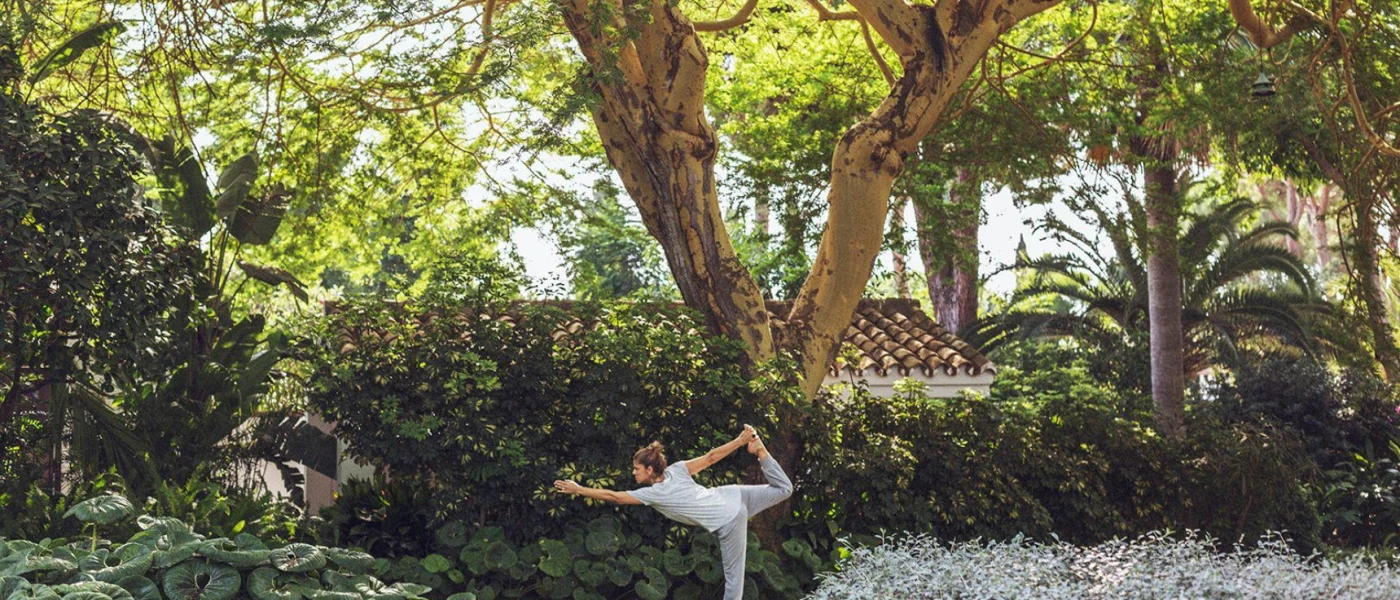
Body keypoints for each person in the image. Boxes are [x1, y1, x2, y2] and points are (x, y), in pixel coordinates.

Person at [553, 425, 793, 600]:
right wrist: (740, 441)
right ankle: (760, 450)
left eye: (636, 469)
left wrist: (579, 489)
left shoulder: (654, 494)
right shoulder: (677, 470)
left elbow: (614, 496)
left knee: (734, 583)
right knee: (784, 489)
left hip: (729, 519)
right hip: (732, 495)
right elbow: (710, 458)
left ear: (649, 469)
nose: (634, 474)